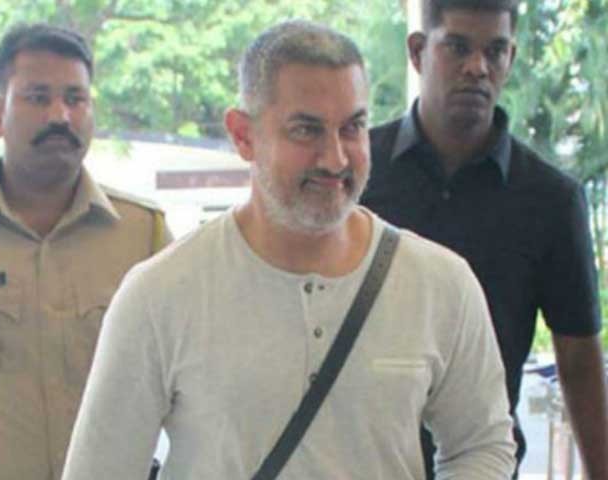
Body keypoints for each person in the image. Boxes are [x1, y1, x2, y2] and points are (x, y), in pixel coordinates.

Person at [62, 20, 515, 479]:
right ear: (243, 136)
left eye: (353, 128)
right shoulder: (159, 295)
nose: (335, 158)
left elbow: (482, 444)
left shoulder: (441, 284)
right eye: (306, 130)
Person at [361, 0, 608, 478]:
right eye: (457, 47)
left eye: (495, 51)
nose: (477, 67)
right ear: (418, 51)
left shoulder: (551, 200)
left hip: (484, 463)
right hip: (358, 462)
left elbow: (579, 358)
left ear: (510, 58)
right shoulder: (358, 173)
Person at [0, 23, 172, 480]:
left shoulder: (144, 235)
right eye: (38, 97)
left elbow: (193, 382)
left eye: (75, 98)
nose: (60, 116)